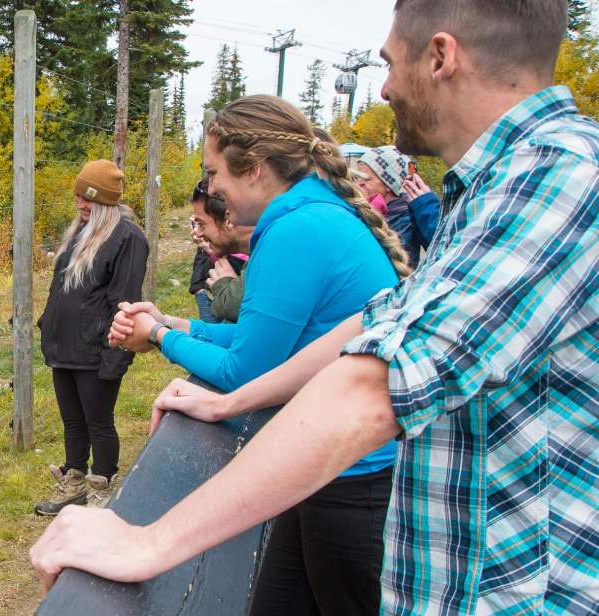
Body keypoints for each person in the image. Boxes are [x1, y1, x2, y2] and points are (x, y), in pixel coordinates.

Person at [31, 2, 599, 614]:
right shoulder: (493, 186)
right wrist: (225, 397)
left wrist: (149, 542)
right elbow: (373, 327)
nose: (382, 86)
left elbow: (371, 386)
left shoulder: (560, 176)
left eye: (387, 62)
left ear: (440, 56)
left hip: (503, 587)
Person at [107, 94, 410, 615]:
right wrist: (177, 324)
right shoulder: (310, 215)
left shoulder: (296, 229)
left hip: (351, 475)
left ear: (255, 170)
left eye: (215, 172)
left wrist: (159, 338)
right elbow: (264, 340)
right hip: (322, 457)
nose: (213, 188)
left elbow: (247, 369)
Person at [34, 160, 148, 516]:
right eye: (78, 196)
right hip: (64, 346)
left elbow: (125, 302)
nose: (80, 205)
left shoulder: (128, 239)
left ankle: (103, 485)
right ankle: (74, 482)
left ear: (106, 202)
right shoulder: (81, 232)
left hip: (97, 349)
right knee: (71, 421)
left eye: (88, 199)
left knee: (99, 421)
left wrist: (115, 356)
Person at [356, 145, 440, 267]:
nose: (359, 184)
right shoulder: (361, 209)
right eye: (357, 177)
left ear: (389, 184)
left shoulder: (405, 219)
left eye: (367, 179)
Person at [187, 179, 251, 323]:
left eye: (201, 224)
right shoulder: (260, 252)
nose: (196, 233)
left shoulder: (267, 260)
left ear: (228, 219)